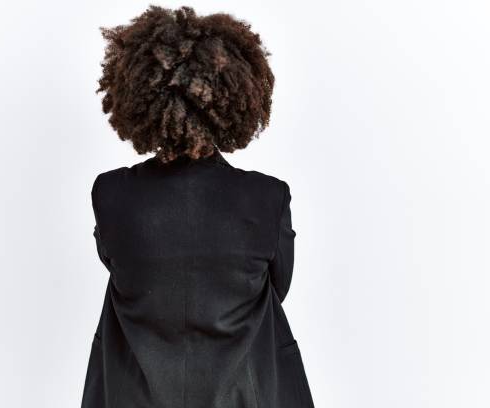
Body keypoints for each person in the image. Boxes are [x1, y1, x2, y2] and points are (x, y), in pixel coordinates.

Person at [81, 5, 315, 408]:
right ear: (237, 98)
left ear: (138, 96)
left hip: (134, 396)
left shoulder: (111, 194)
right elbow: (277, 287)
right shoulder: (267, 197)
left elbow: (118, 265)